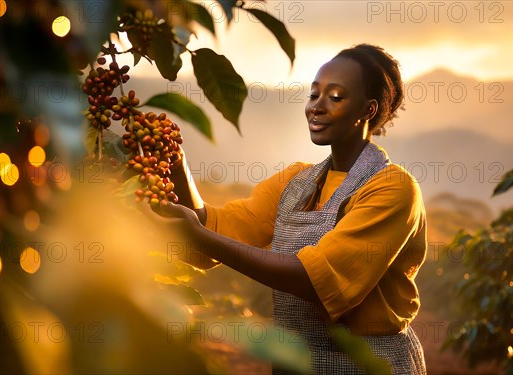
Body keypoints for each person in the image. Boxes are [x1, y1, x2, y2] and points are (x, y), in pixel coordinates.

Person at [148, 44, 427, 374]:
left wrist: (198, 236)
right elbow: (215, 231)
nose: (316, 108)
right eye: (313, 95)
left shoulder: (392, 188)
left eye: (335, 97)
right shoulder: (295, 181)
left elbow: (315, 281)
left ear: (367, 110)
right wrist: (176, 165)